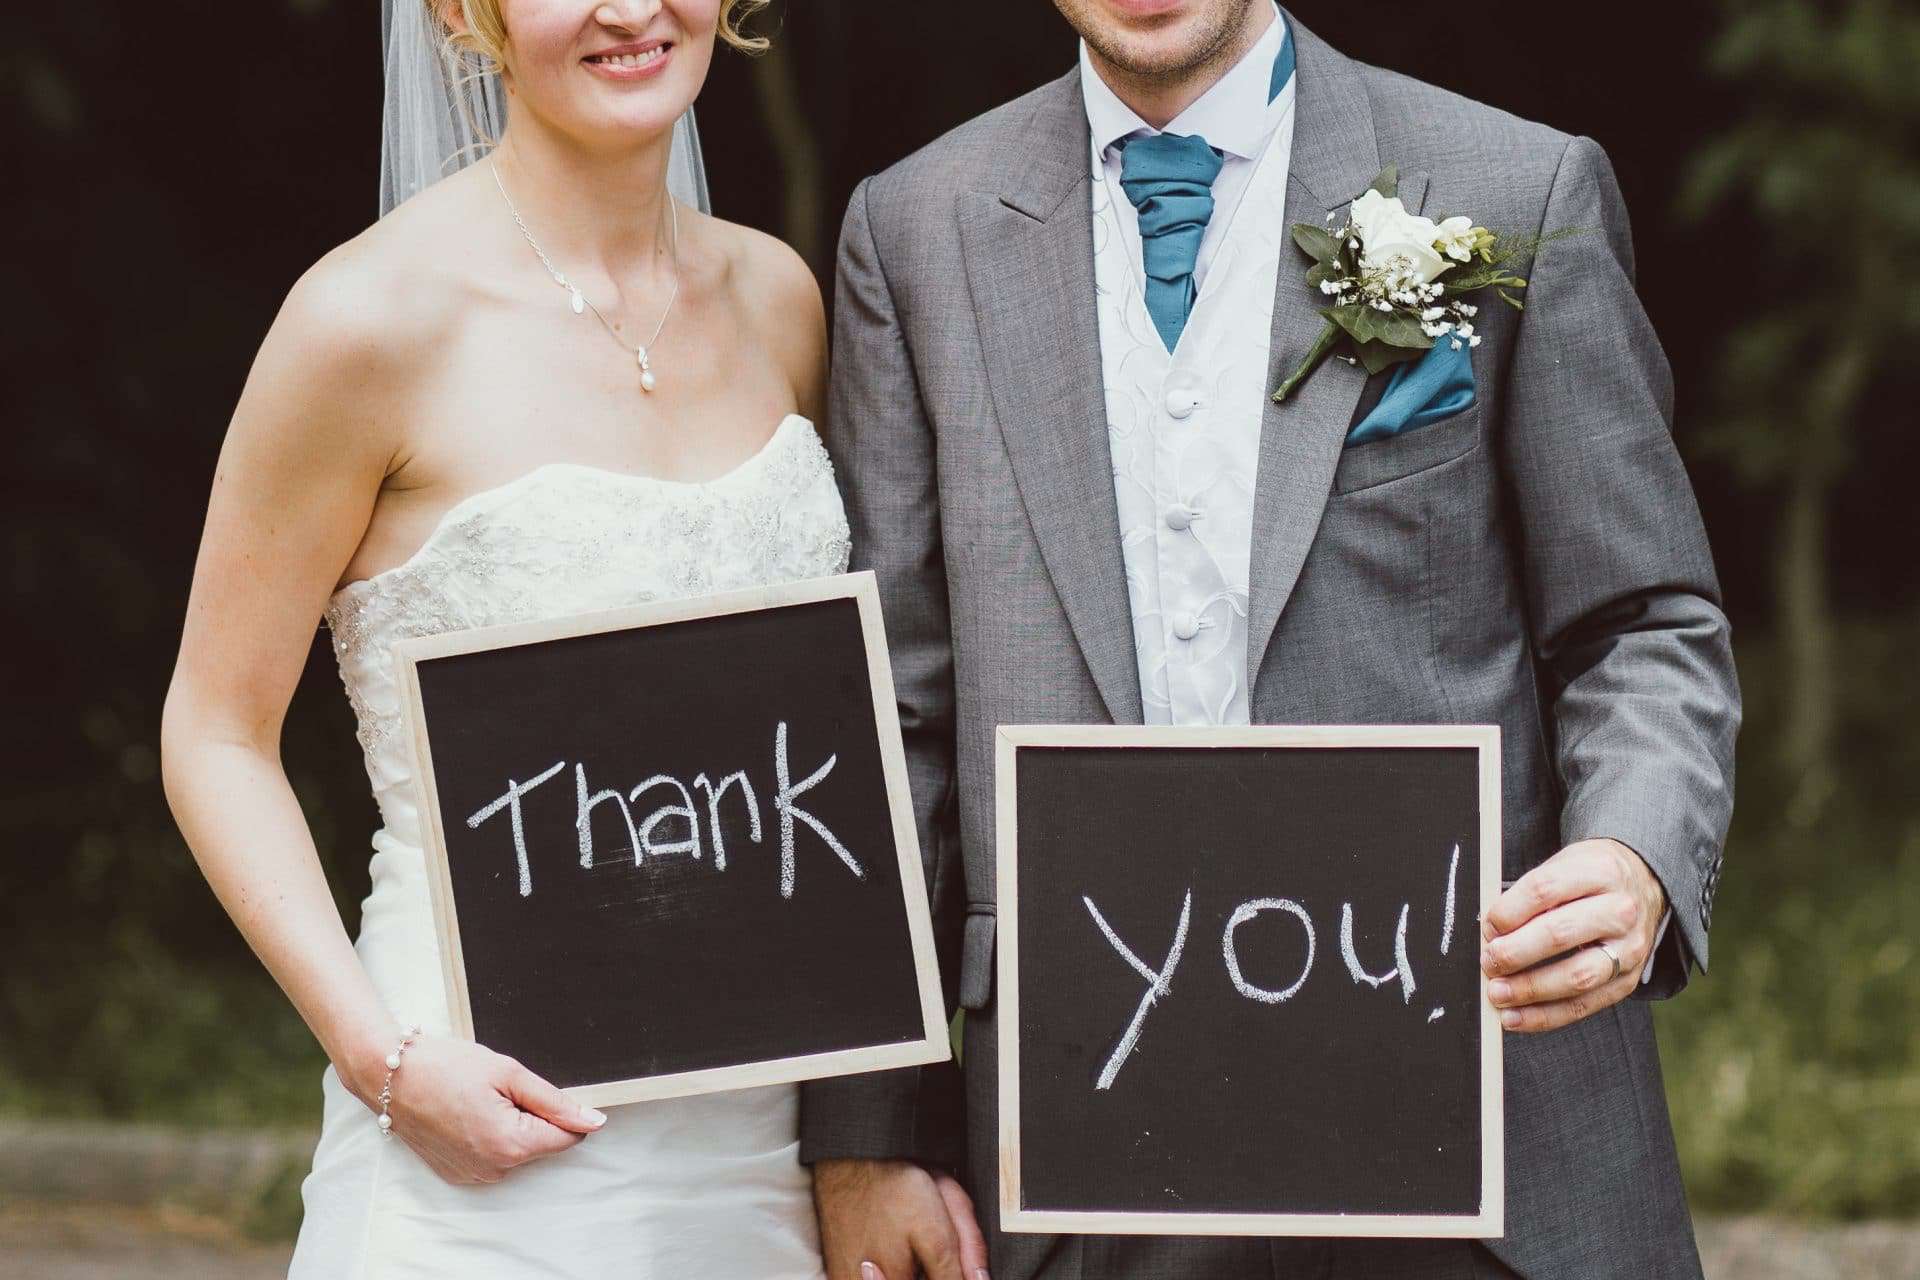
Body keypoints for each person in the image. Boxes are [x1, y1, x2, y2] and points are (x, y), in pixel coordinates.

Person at [808, 2, 1740, 1278]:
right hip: (1086, 1141)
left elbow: (1644, 620)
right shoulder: (915, 233)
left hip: (1479, 1125)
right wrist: (868, 1135)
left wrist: (1633, 844)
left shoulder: (1513, 184)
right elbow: (892, 719)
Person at [159, 1, 836, 1274]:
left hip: (760, 1145)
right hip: (479, 1121)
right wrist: (384, 1057)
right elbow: (214, 729)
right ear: (467, 17)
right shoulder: (364, 324)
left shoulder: (779, 299)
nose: (631, 11)